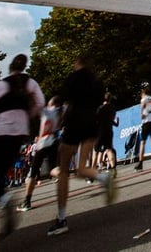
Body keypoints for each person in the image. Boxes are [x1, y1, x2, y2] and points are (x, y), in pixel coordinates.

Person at [0, 54, 44, 252]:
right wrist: (25, 115)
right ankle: (4, 199)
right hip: (17, 137)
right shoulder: (31, 84)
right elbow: (40, 104)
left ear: (9, 68)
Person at [47, 56, 117, 236]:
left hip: (74, 124)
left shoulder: (73, 79)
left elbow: (63, 103)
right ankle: (103, 178)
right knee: (82, 168)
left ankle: (61, 218)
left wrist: (59, 123)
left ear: (77, 63)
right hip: (91, 125)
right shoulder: (97, 83)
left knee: (63, 171)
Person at [20, 98, 61, 211]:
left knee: (33, 173)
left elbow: (34, 107)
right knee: (53, 168)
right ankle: (62, 173)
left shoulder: (48, 111)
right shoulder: (59, 114)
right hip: (54, 141)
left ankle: (27, 201)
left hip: (43, 142)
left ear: (51, 104)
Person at [94, 92, 119, 172]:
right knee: (109, 150)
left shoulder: (100, 108)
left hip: (101, 131)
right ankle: (113, 168)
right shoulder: (113, 108)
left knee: (96, 150)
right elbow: (112, 120)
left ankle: (94, 169)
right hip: (109, 130)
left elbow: (96, 120)